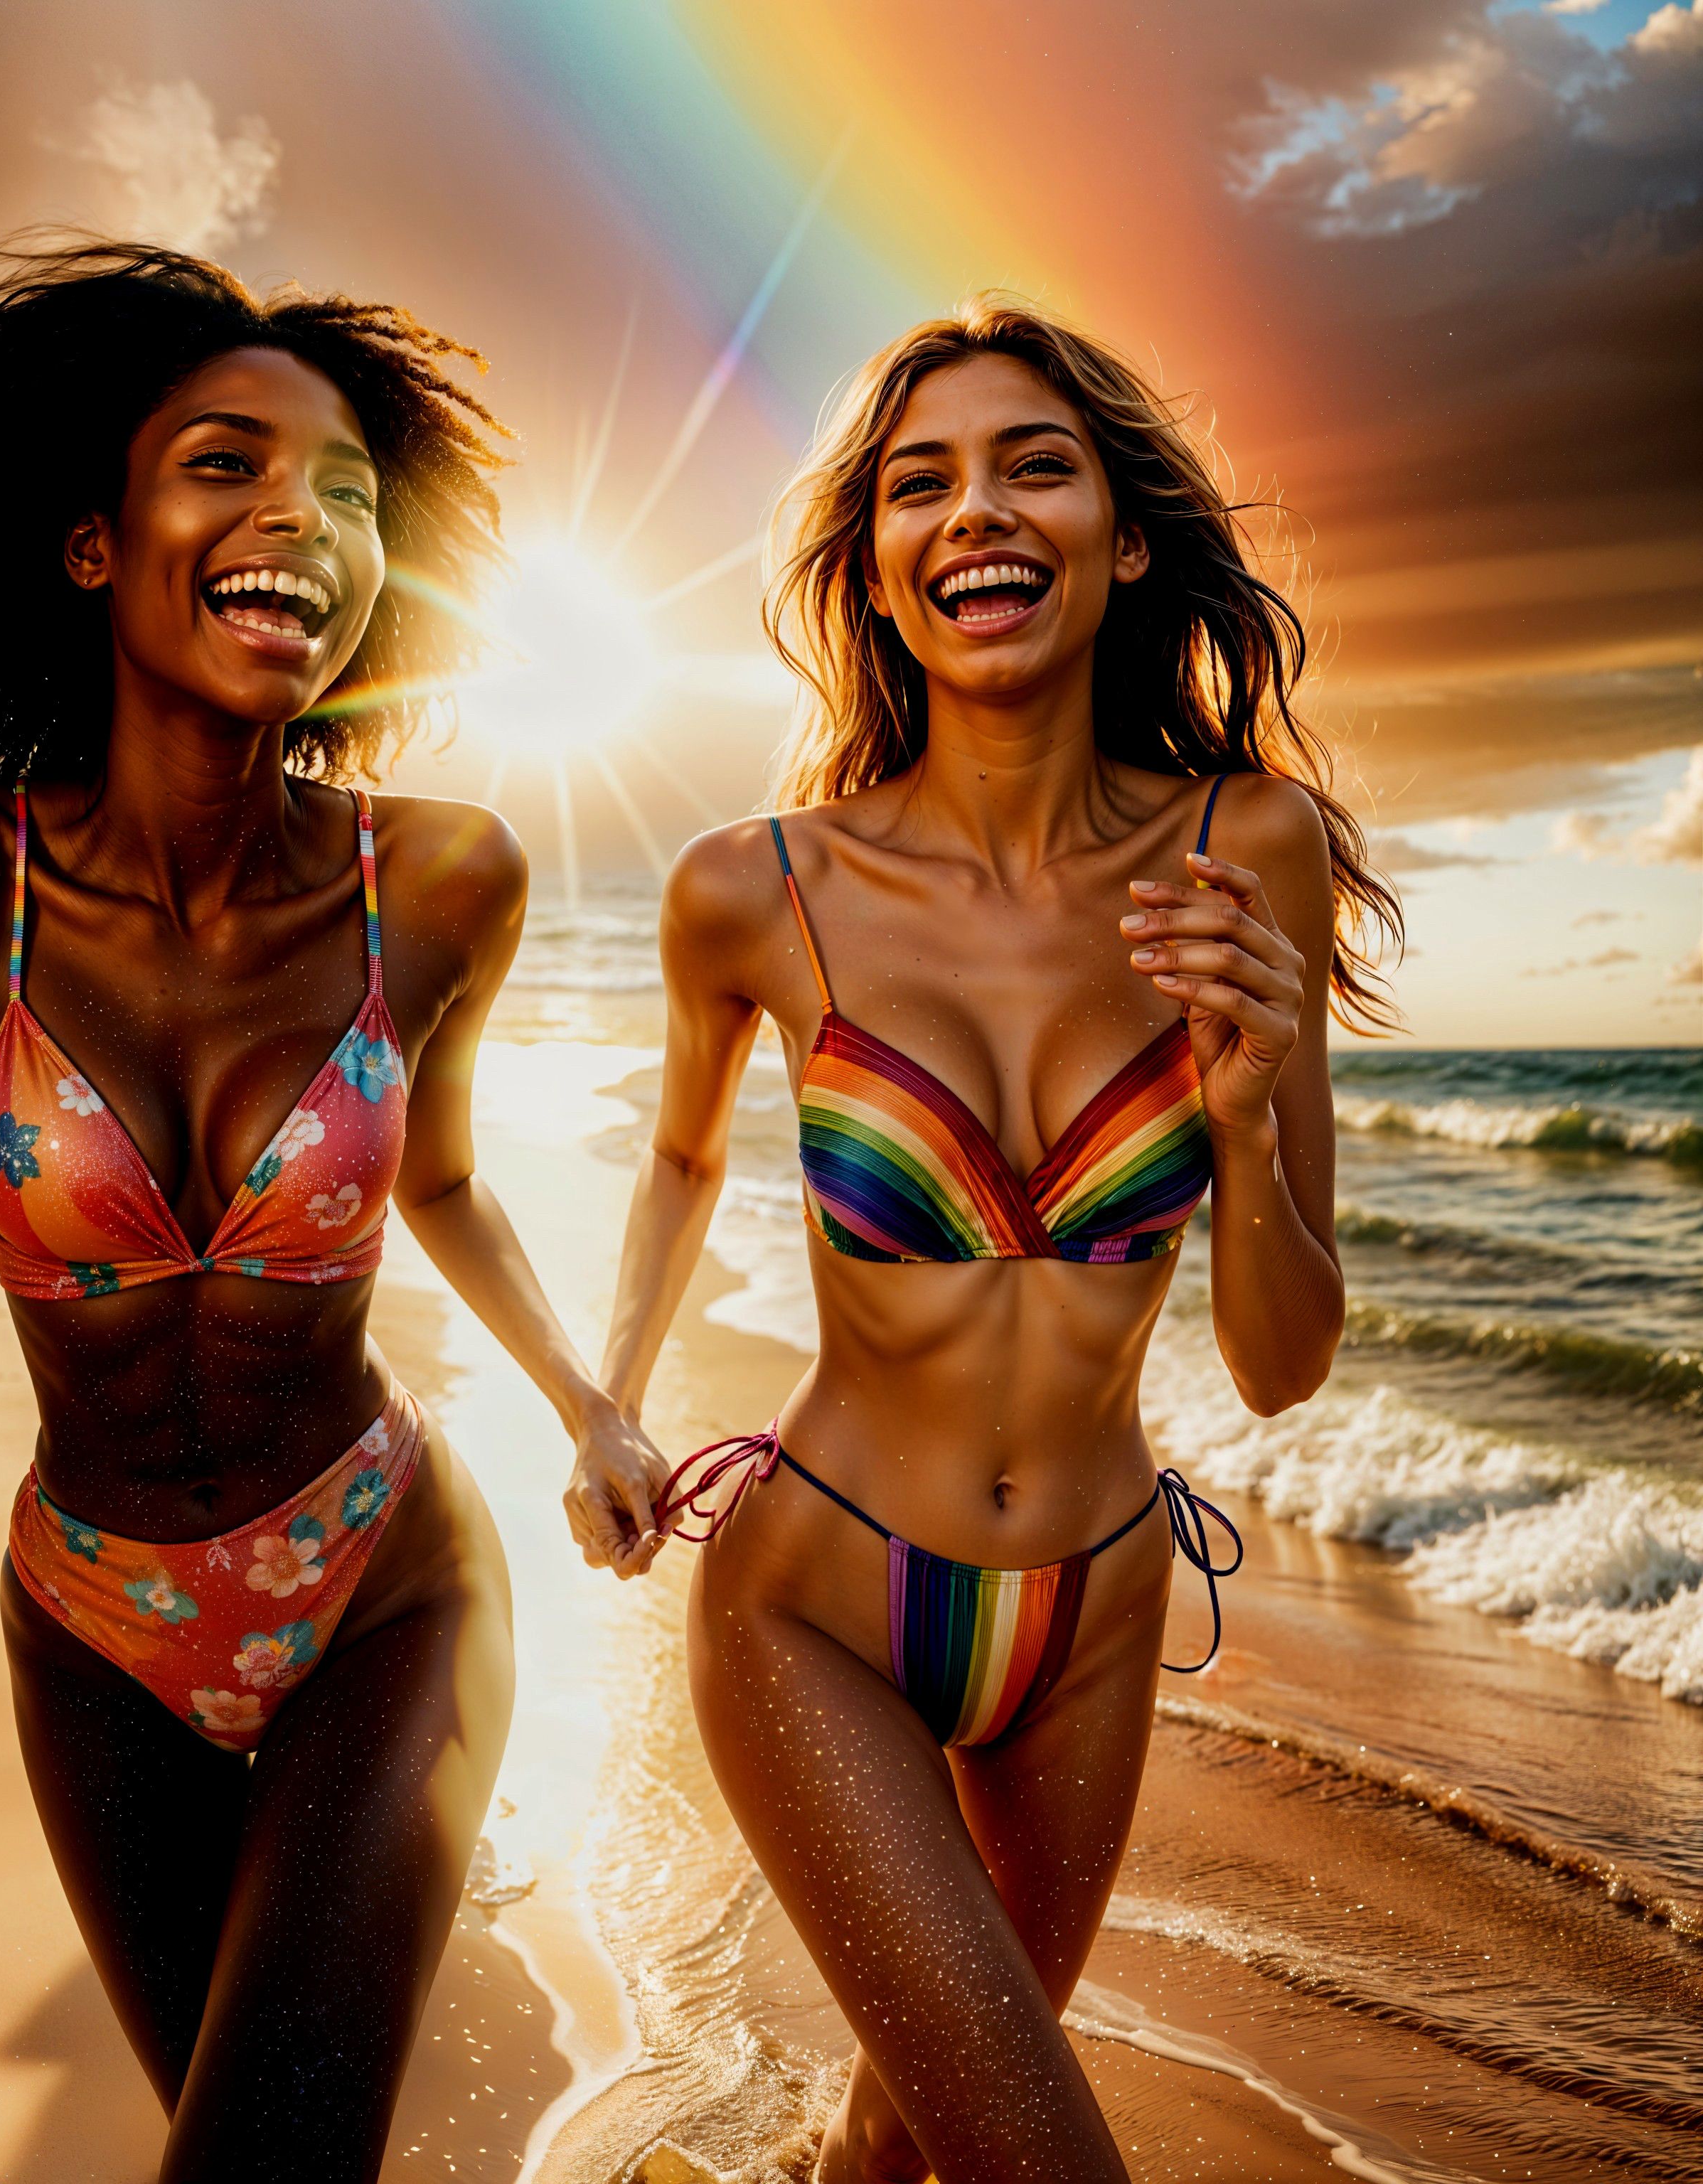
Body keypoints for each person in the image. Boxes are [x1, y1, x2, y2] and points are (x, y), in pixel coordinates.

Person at [0, 242, 663, 2181]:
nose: (295, 521)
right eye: (227, 464)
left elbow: (452, 1179)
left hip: (383, 1586)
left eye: (345, 495)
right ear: (91, 544)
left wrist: (589, 1405)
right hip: (89, 1629)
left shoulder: (445, 879)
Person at [599, 299, 1398, 2181]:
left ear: (1125, 539)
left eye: (1037, 464)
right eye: (921, 482)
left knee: (905, 2146)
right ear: (878, 571)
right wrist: (604, 1408)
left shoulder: (1250, 843)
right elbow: (677, 1158)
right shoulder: (757, 887)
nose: (980, 510)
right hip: (825, 1606)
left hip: (1101, 1617)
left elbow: (1283, 1364)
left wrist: (1242, 1101)